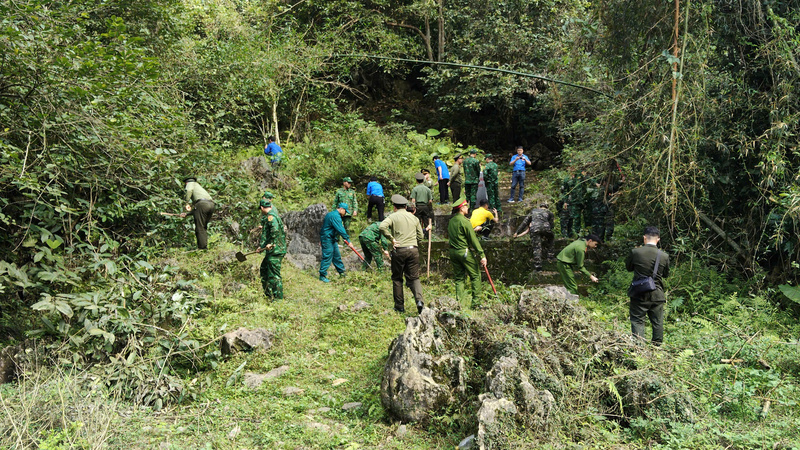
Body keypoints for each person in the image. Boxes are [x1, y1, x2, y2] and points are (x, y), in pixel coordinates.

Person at [380, 194, 426, 314]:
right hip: (413, 250)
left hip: (399, 250)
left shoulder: (393, 216)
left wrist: (392, 239)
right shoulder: (414, 218)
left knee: (397, 278)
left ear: (395, 207)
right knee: (414, 277)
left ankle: (399, 307)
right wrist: (414, 243)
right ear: (405, 206)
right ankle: (419, 301)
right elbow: (421, 236)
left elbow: (382, 226)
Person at [626, 226, 670, 345]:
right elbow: (666, 274)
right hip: (657, 293)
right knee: (657, 322)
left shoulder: (635, 252)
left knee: (637, 320)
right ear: (658, 239)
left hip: (639, 292)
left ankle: (639, 347)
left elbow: (629, 268)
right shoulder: (664, 256)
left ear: (644, 238)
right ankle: (657, 347)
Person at [448, 197, 487, 309]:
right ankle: (476, 303)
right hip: (463, 252)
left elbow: (458, 234)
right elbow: (473, 240)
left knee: (459, 278)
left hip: (453, 252)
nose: (467, 208)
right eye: (466, 206)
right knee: (475, 275)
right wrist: (482, 255)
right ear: (461, 208)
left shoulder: (451, 221)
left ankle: (458, 304)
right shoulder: (465, 221)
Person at [256, 199, 286, 300]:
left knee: (274, 275)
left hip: (276, 251)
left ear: (261, 208)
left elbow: (275, 231)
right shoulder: (269, 217)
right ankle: (268, 295)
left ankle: (278, 299)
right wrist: (261, 246)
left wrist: (271, 243)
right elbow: (266, 234)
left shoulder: (271, 217)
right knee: (264, 270)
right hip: (272, 251)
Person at [513, 201, 555, 271]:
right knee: (551, 238)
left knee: (537, 247)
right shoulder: (549, 212)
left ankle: (538, 266)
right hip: (546, 228)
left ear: (539, 207)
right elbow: (552, 225)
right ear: (546, 207)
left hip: (534, 229)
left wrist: (517, 232)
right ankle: (550, 256)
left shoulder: (533, 211)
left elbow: (524, 222)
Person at [319, 203, 351, 282]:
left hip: (332, 238)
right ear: (341, 209)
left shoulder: (332, 214)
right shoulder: (335, 216)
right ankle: (322, 275)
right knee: (327, 255)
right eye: (345, 211)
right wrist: (348, 240)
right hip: (327, 238)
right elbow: (340, 229)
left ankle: (342, 273)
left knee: (336, 256)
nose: (345, 214)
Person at [180, 176, 215, 249]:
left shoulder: (190, 184)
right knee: (203, 226)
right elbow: (198, 209)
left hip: (202, 205)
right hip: (211, 204)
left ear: (186, 183)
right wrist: (187, 214)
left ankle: (202, 248)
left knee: (199, 228)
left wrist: (186, 202)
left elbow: (188, 190)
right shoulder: (198, 187)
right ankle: (204, 246)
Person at [410, 172, 434, 238]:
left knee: (417, 221)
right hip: (425, 206)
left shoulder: (415, 189)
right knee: (426, 221)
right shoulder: (427, 189)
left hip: (418, 207)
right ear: (423, 180)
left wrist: (413, 208)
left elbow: (413, 200)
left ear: (416, 180)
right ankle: (427, 236)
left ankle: (418, 235)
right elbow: (430, 201)